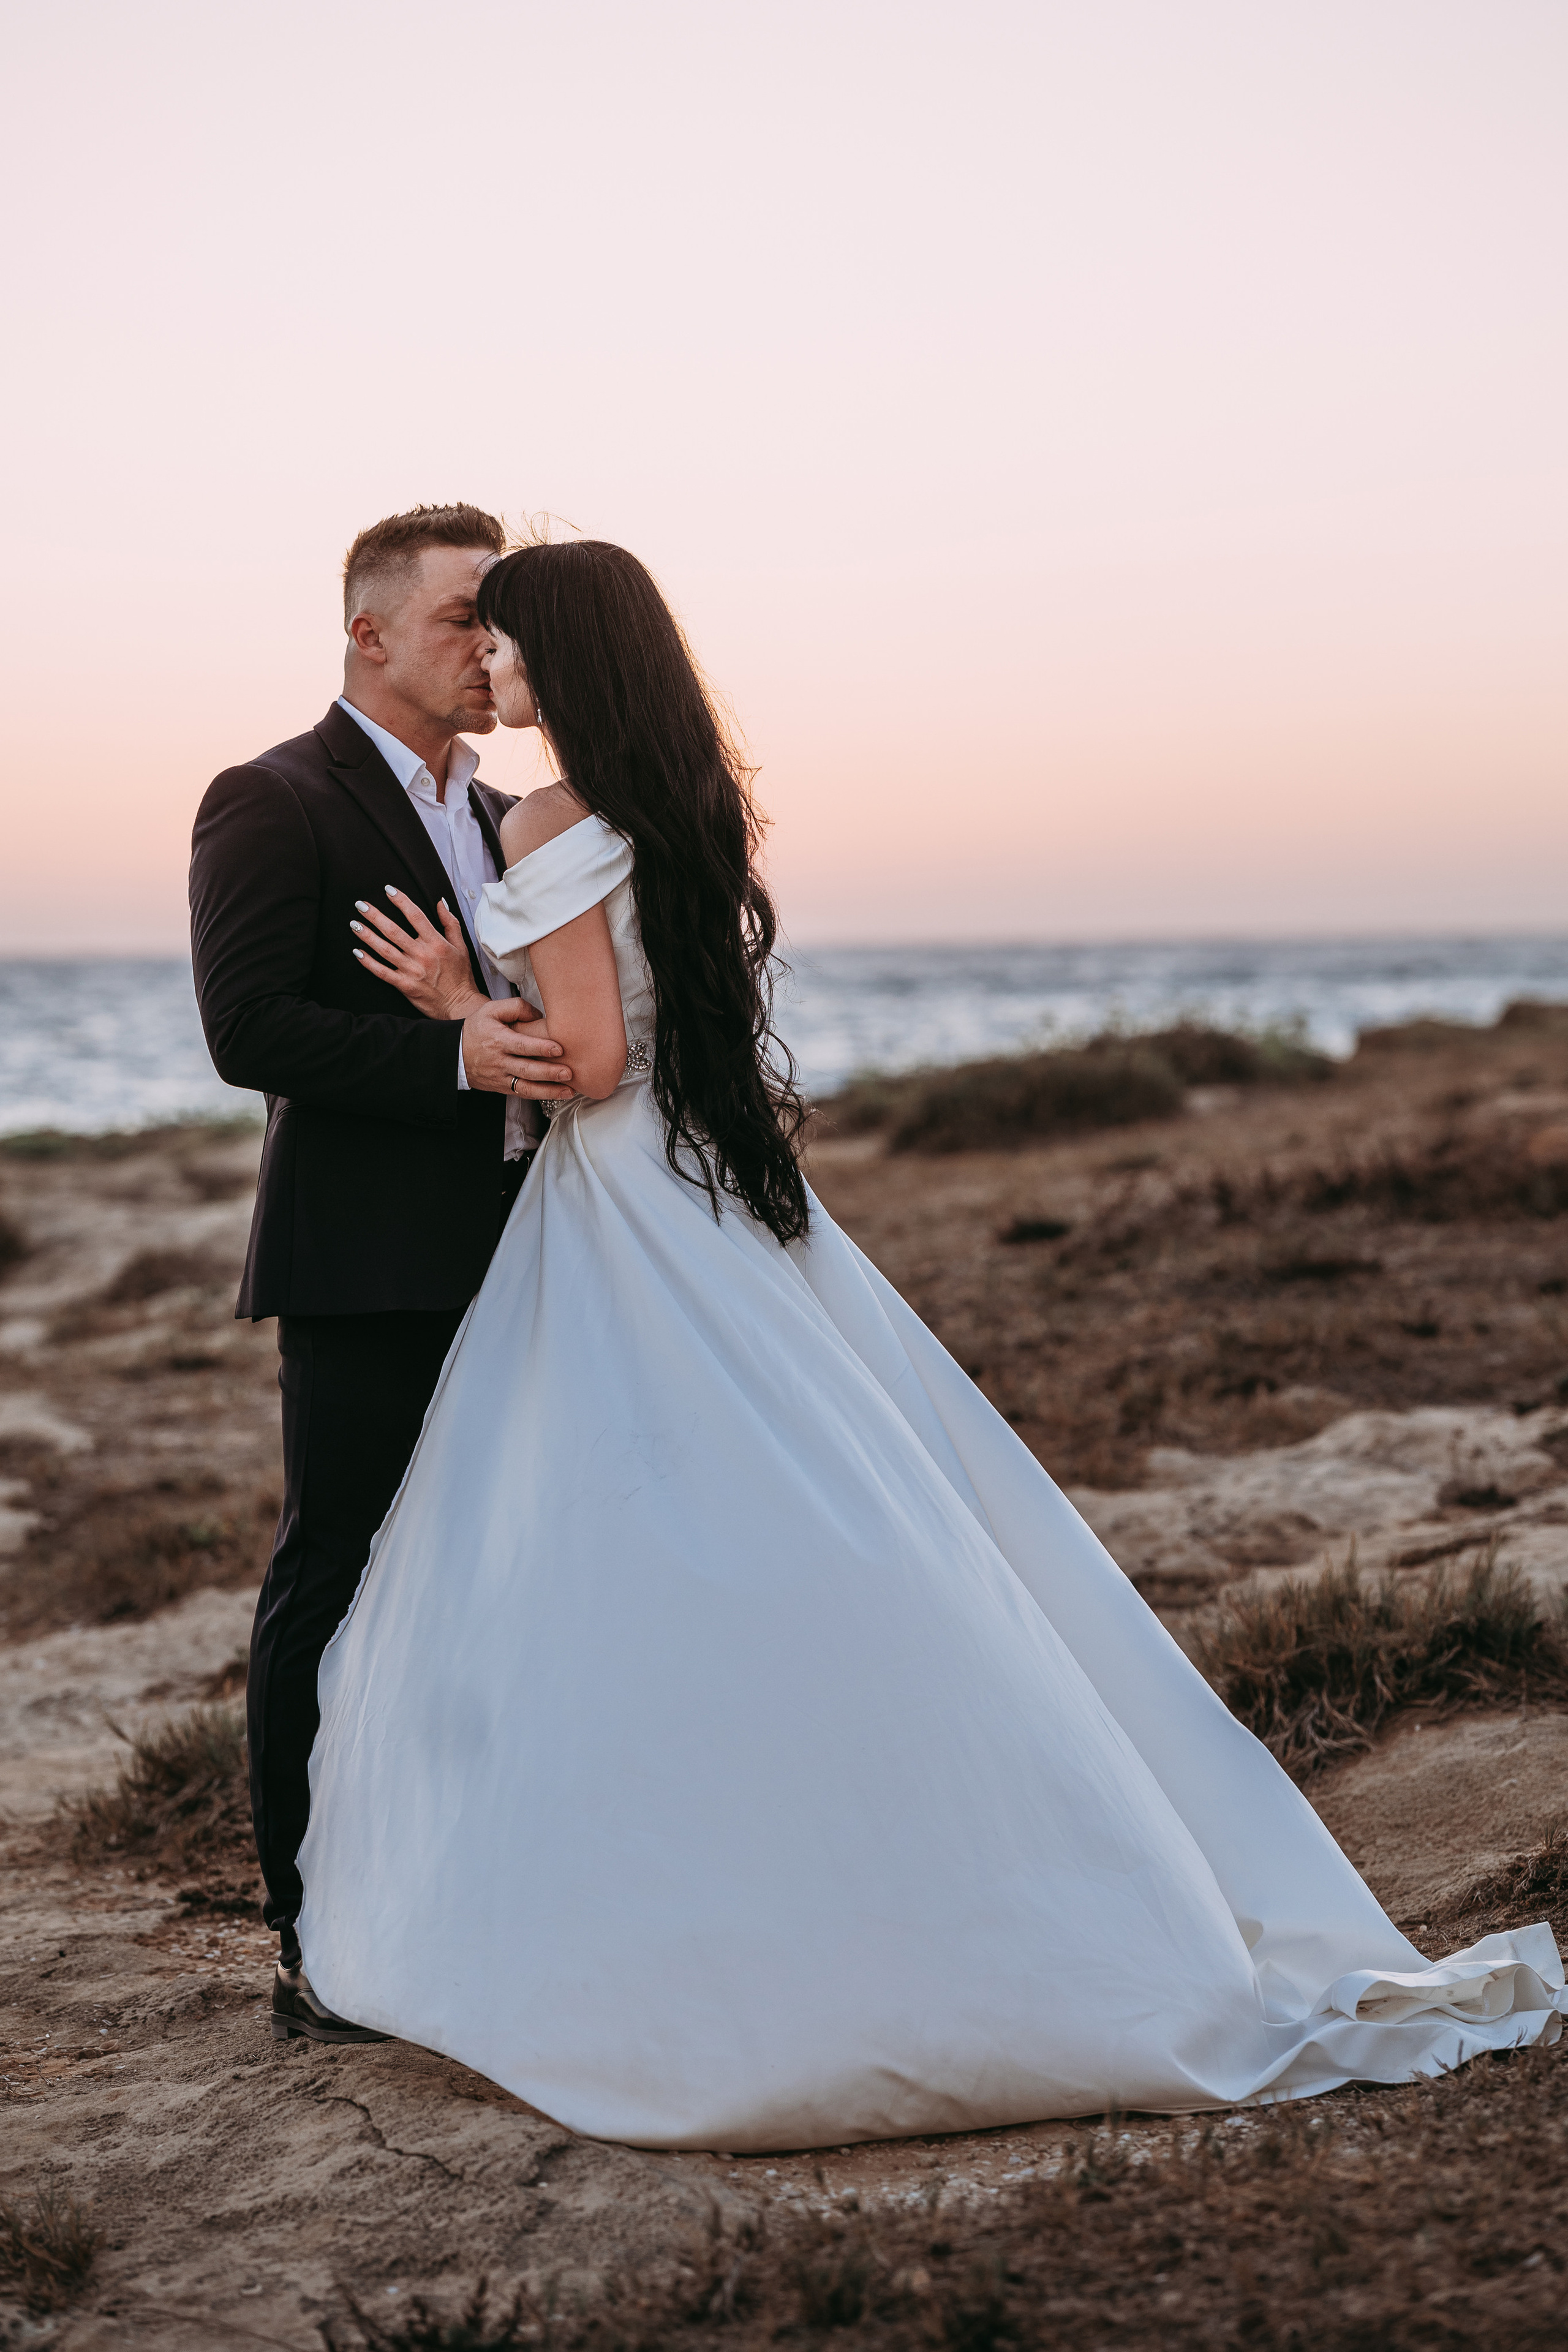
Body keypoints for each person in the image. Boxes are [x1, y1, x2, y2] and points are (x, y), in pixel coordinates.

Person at [294, 537, 1566, 2148]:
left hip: (620, 1211)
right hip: (718, 1200)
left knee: (608, 1541)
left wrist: (443, 1011)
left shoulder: (545, 819)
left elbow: (594, 1061)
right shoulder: (670, 807)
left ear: (570, 657)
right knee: (832, 1514)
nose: (492, 667)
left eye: (513, 642)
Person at [189, 505, 576, 2043]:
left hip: (527, 1251)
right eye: (458, 619)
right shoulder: (271, 798)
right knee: (333, 1579)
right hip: (364, 1263)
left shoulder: (506, 816)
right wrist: (459, 1051)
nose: (487, 649)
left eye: (496, 625)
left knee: (496, 1582)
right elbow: (250, 1032)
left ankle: (454, 1902)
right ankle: (310, 1940)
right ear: (367, 634)